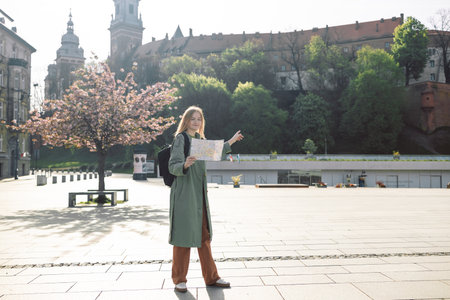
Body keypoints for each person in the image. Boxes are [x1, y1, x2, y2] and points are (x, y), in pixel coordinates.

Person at [168, 106, 244, 293]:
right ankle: (179, 279)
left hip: (199, 194)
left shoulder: (200, 140)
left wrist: (232, 141)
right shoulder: (181, 139)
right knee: (183, 237)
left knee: (204, 237)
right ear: (186, 120)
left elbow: (216, 151)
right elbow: (172, 166)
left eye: (199, 119)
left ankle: (211, 277)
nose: (196, 122)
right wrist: (184, 164)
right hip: (184, 194)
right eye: (192, 119)